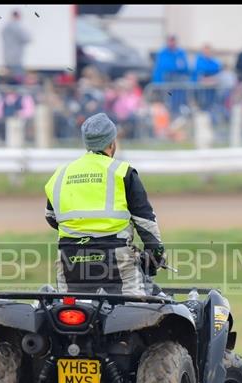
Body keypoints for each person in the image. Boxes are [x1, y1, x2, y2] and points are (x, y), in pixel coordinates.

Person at [44, 113, 165, 296]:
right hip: (115, 258)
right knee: (132, 314)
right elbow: (145, 222)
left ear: (86, 143)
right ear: (112, 143)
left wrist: (82, 231)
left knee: (70, 316)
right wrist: (156, 255)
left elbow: (52, 218)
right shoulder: (123, 172)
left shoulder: (61, 173)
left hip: (70, 258)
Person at [2, 10, 31, 77]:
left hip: (7, 57)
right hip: (16, 58)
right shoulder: (17, 26)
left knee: (9, 76)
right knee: (18, 78)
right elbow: (27, 38)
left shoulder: (5, 27)